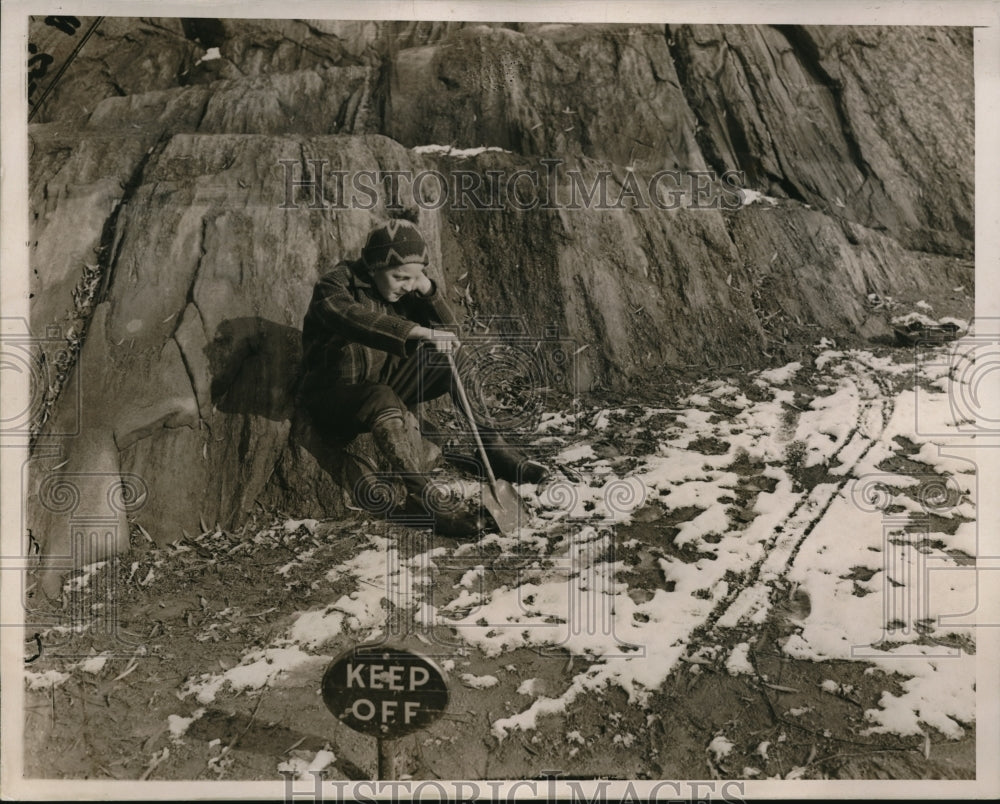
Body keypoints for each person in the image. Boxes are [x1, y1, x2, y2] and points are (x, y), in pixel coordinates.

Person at [299, 212, 547, 537]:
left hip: (383, 386)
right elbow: (352, 318)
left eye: (414, 278)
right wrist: (416, 330)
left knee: (450, 355)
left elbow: (451, 331)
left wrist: (428, 291)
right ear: (374, 267)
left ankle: (492, 448)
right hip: (332, 397)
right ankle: (422, 496)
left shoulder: (409, 289)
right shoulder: (335, 285)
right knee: (380, 395)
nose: (407, 286)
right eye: (401, 277)